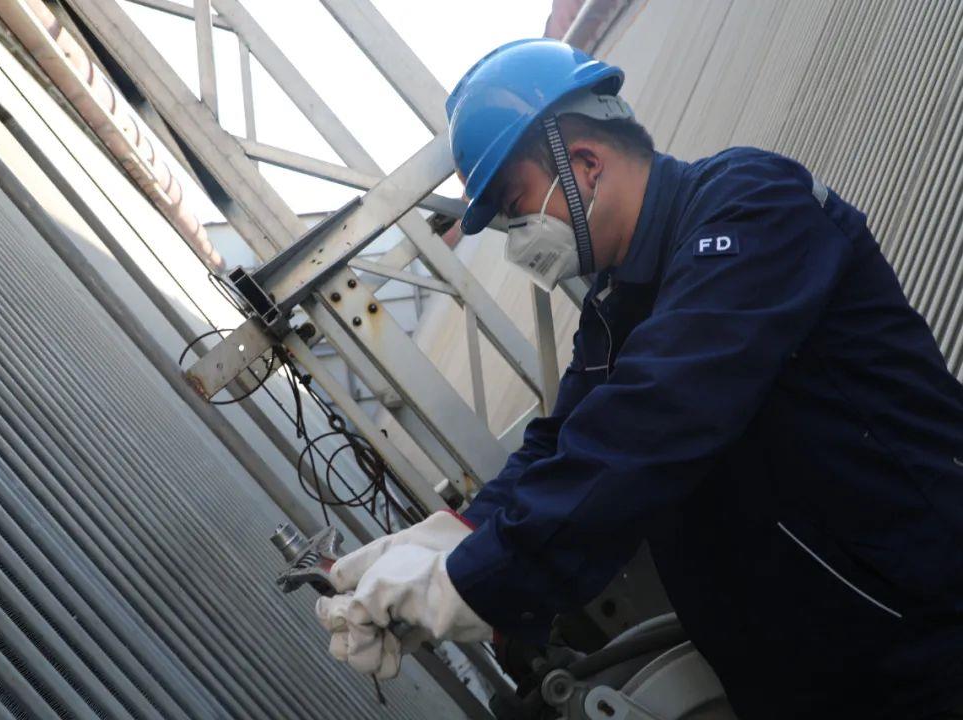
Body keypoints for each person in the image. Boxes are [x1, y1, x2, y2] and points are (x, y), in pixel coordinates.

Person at [316, 39, 963, 719]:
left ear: (586, 164)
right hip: (816, 672)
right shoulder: (615, 307)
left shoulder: (750, 205)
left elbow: (653, 419)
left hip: (924, 632)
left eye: (515, 203)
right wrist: (453, 535)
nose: (517, 239)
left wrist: (471, 583)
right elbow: (560, 442)